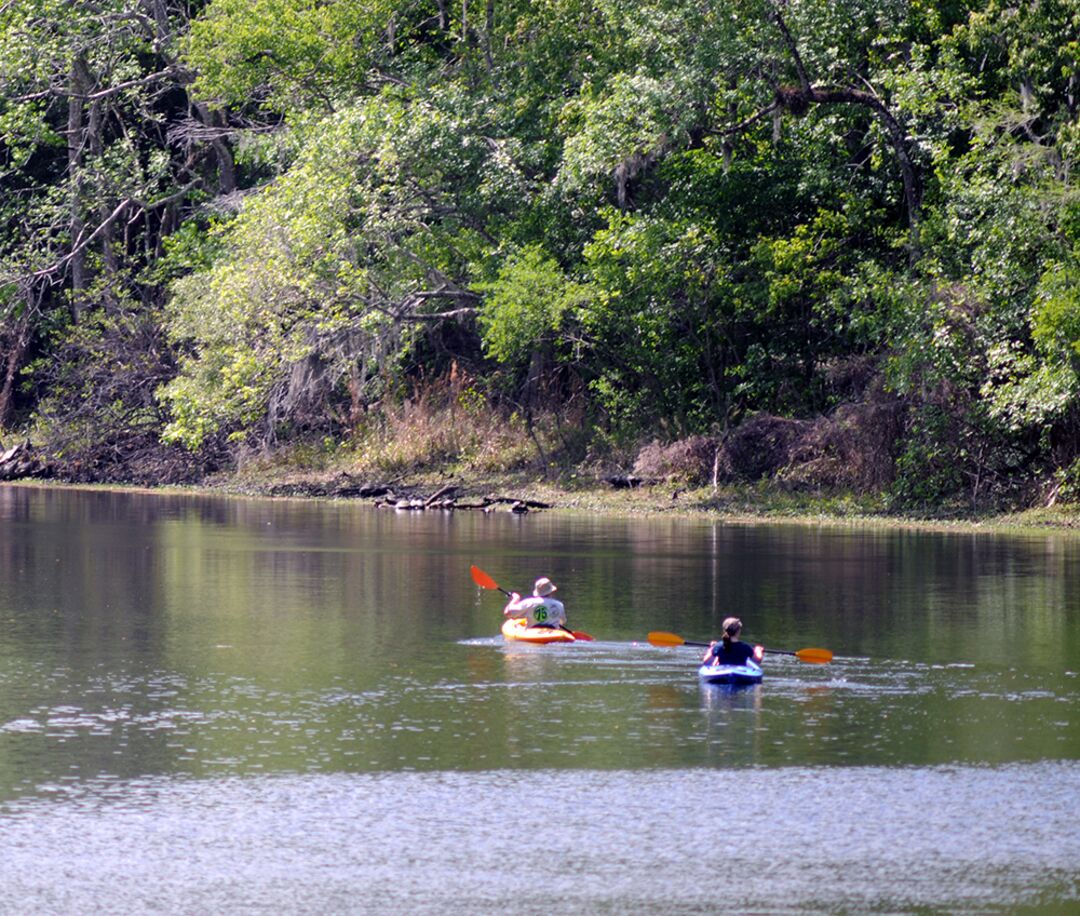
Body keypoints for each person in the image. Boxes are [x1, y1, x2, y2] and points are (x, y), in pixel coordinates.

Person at [503, 577, 568, 631]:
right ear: (551, 592)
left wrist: (515, 599)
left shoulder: (529, 602)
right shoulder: (559, 605)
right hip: (552, 634)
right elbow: (562, 621)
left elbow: (508, 613)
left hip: (532, 633)